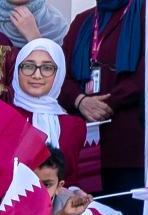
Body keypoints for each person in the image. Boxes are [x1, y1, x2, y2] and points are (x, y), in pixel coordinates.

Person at [60, 0, 146, 209]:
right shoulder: (82, 22)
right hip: (86, 148)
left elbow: (147, 72)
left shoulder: (147, 14)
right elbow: (59, 74)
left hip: (130, 147)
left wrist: (105, 103)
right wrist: (80, 101)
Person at [9, 38, 97, 190]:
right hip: (8, 207)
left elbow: (72, 178)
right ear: (17, 70)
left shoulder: (73, 125)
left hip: (59, 209)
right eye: (29, 66)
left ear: (60, 73)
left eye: (47, 68)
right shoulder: (3, 118)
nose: (37, 75)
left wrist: (74, 193)